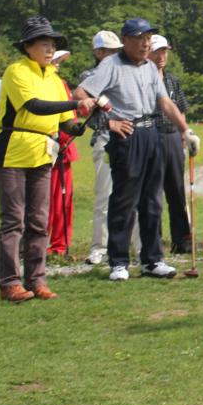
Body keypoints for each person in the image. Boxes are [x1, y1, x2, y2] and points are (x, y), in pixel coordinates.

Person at [74, 17, 191, 282]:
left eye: (148, 38)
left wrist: (185, 129)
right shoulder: (110, 65)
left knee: (152, 200)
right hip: (127, 134)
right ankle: (118, 261)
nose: (145, 43)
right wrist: (109, 120)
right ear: (125, 40)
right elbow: (81, 93)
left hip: (152, 133)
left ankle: (152, 259)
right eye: (140, 38)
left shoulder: (150, 67)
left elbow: (164, 101)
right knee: (124, 199)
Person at [0, 17, 97, 301]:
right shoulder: (16, 71)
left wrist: (86, 120)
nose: (50, 49)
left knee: (39, 220)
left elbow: (66, 124)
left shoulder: (54, 78)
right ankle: (9, 283)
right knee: (13, 220)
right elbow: (35, 107)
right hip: (13, 148)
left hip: (42, 151)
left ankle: (36, 280)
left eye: (52, 44)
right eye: (44, 43)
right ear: (27, 47)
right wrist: (77, 103)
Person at [150, 34, 199, 254]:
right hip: (151, 134)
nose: (161, 56)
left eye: (164, 52)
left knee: (177, 192)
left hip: (172, 137)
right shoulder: (144, 79)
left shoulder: (172, 81)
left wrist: (185, 135)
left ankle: (182, 240)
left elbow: (181, 111)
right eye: (157, 52)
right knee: (153, 194)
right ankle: (153, 242)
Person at [82, 30, 125, 265]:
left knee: (133, 195)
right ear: (98, 52)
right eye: (109, 51)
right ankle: (99, 247)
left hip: (129, 136)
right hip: (104, 137)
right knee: (104, 196)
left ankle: (137, 246)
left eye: (116, 51)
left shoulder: (125, 72)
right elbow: (86, 106)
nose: (113, 55)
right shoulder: (89, 76)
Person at [45, 49, 78, 255]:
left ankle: (59, 244)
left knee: (62, 200)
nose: (58, 64)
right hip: (50, 145)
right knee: (47, 199)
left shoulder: (59, 83)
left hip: (62, 145)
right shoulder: (47, 84)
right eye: (56, 61)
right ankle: (47, 243)